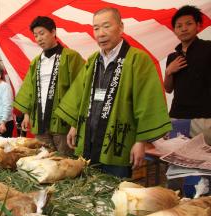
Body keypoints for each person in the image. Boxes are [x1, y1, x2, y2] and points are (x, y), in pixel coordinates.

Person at [55, 8, 171, 178]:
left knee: (114, 195)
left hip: (116, 142)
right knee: (87, 193)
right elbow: (79, 95)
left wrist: (140, 142)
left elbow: (147, 103)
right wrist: (74, 125)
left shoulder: (138, 59)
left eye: (106, 26)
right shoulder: (93, 60)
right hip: (89, 138)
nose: (101, 34)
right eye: (96, 28)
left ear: (121, 27)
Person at [13, 16, 85, 155]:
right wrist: (27, 114)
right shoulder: (36, 62)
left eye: (42, 33)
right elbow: (29, 89)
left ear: (53, 32)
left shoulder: (71, 57)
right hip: (40, 121)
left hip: (62, 121)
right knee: (44, 160)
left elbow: (80, 89)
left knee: (65, 162)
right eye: (35, 35)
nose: (39, 38)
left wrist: (74, 122)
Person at [164, 5, 211, 145]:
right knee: (177, 157)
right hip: (177, 116)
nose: (184, 28)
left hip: (204, 117)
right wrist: (168, 72)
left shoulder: (208, 48)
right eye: (179, 26)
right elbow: (168, 89)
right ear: (174, 31)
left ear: (198, 26)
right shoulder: (172, 57)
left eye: (189, 24)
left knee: (204, 160)